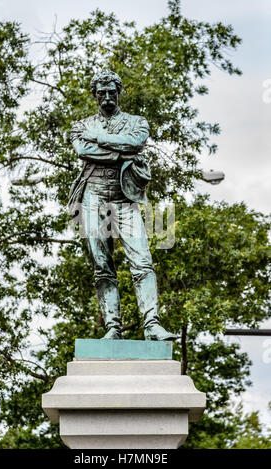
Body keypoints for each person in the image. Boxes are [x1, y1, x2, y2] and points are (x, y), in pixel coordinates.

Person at [69, 69, 176, 341]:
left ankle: (152, 325)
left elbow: (136, 143)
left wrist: (100, 140)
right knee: (102, 265)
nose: (107, 97)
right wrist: (121, 151)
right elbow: (83, 151)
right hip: (93, 196)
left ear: (119, 92)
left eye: (112, 92)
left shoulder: (136, 122)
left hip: (125, 198)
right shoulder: (81, 125)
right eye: (101, 92)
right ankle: (112, 329)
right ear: (94, 95)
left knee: (142, 261)